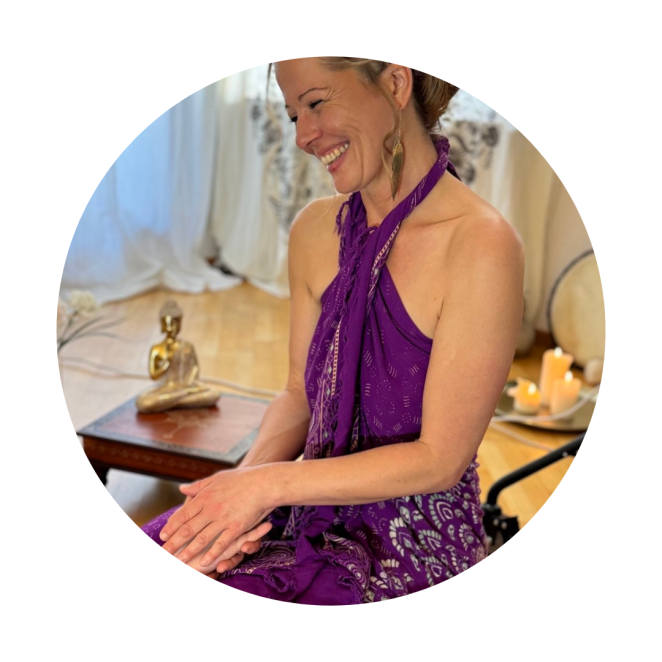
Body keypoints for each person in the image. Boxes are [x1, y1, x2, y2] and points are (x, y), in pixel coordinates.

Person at [141, 57, 525, 604]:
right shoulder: (313, 230)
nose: (302, 136)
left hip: (411, 545)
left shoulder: (482, 245)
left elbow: (440, 459)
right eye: (293, 114)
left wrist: (266, 486)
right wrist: (233, 505)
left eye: (316, 103)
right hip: (300, 505)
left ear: (395, 82)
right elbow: (299, 397)